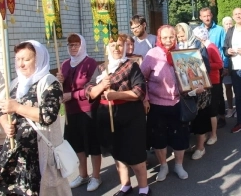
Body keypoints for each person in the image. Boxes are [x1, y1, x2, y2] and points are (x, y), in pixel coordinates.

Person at [0, 40, 71, 196]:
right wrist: (5, 124)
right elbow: (3, 110)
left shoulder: (49, 83)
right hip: (15, 153)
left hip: (38, 155)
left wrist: (17, 108)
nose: (21, 64)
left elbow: (48, 116)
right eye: (18, 59)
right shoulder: (15, 84)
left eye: (26, 59)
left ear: (38, 60)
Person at [85, 34, 151, 196]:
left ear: (125, 47)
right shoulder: (101, 69)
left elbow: (139, 91)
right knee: (118, 155)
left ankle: (143, 187)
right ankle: (125, 185)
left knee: (135, 156)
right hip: (107, 117)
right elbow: (89, 91)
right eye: (112, 45)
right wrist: (101, 86)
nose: (116, 48)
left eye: (120, 45)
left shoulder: (131, 66)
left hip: (130, 117)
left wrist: (116, 95)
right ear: (107, 48)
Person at [141, 25, 205, 181]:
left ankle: (178, 165)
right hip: (157, 104)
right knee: (159, 138)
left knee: (180, 137)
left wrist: (195, 89)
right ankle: (163, 166)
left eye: (171, 37)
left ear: (175, 37)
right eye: (164, 37)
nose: (168, 40)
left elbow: (189, 82)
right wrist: (145, 98)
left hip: (178, 103)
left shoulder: (182, 54)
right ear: (159, 38)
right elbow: (141, 79)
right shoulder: (152, 54)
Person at [56, 34, 102, 191]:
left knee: (93, 144)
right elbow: (62, 89)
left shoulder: (90, 63)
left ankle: (96, 176)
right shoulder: (65, 64)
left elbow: (92, 87)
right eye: (70, 45)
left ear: (82, 45)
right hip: (71, 111)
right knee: (77, 145)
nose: (73, 48)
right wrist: (59, 81)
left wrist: (71, 95)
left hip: (88, 110)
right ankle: (83, 175)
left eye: (76, 45)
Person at [175, 23, 212, 160]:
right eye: (178, 36)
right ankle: (190, 144)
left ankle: (200, 147)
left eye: (182, 35)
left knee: (200, 118)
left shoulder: (198, 45)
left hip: (200, 87)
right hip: (185, 88)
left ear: (188, 33)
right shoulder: (177, 47)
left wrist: (200, 83)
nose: (181, 38)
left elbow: (206, 67)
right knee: (187, 116)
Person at [193, 26, 223, 150]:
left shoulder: (210, 47)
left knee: (212, 110)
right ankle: (205, 134)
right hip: (204, 82)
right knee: (205, 109)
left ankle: (214, 135)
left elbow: (220, 64)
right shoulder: (200, 46)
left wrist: (204, 64)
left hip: (213, 81)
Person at [199, 7, 227, 128]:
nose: (207, 18)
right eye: (204, 16)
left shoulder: (220, 30)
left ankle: (221, 116)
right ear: (200, 17)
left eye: (208, 15)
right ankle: (209, 118)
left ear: (212, 16)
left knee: (218, 93)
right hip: (202, 70)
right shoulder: (197, 30)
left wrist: (225, 66)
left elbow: (224, 49)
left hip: (217, 66)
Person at [221, 16, 235, 118]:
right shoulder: (222, 35)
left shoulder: (236, 34)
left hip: (236, 65)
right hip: (225, 65)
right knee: (228, 88)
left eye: (230, 23)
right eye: (226, 23)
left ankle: (239, 108)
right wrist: (225, 66)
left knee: (238, 88)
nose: (229, 25)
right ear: (223, 25)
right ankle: (230, 108)